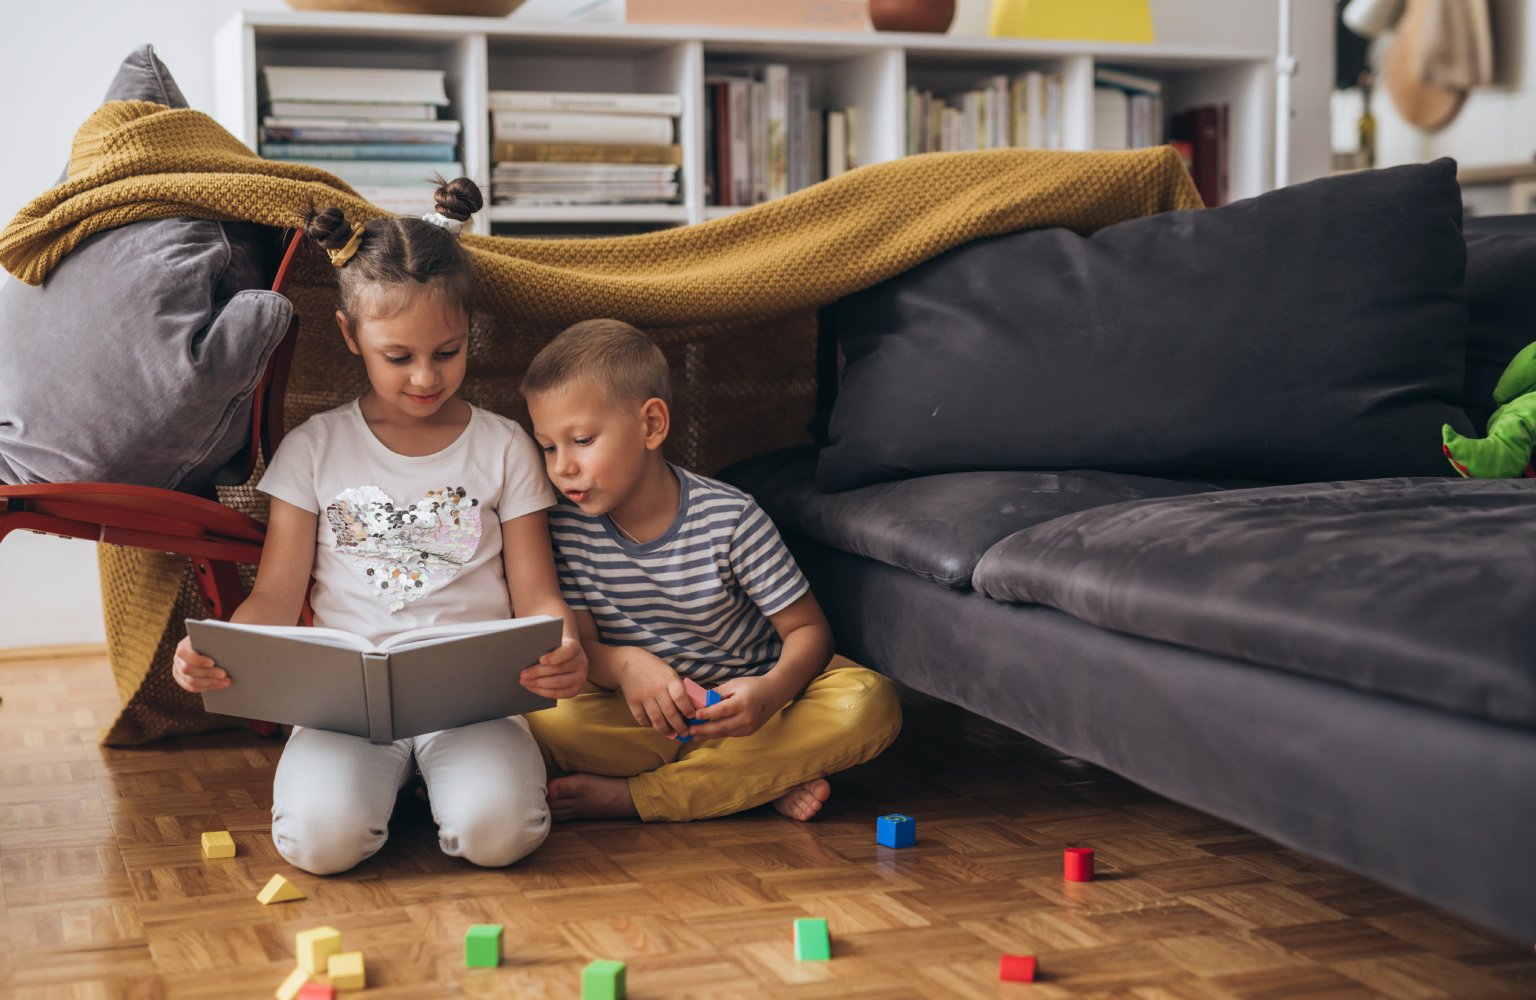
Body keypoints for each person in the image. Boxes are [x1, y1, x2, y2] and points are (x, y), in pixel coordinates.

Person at [170, 178, 587, 874]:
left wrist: (565, 644)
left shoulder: (504, 445)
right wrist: (226, 652)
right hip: (343, 709)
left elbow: (537, 595)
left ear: (468, 332)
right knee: (319, 845)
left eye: (447, 352)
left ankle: (443, 784)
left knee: (502, 835)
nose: (425, 377)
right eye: (399, 356)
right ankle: (396, 784)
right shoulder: (314, 448)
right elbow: (275, 595)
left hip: (474, 703)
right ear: (350, 334)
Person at [520, 318, 901, 823]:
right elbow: (586, 650)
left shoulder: (731, 518)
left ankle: (639, 797)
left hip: (753, 712)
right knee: (544, 718)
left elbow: (809, 632)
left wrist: (769, 694)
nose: (561, 466)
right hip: (644, 713)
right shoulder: (565, 528)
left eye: (582, 440)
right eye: (548, 447)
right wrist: (629, 665)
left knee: (869, 704)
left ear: (651, 425)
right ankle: (754, 781)